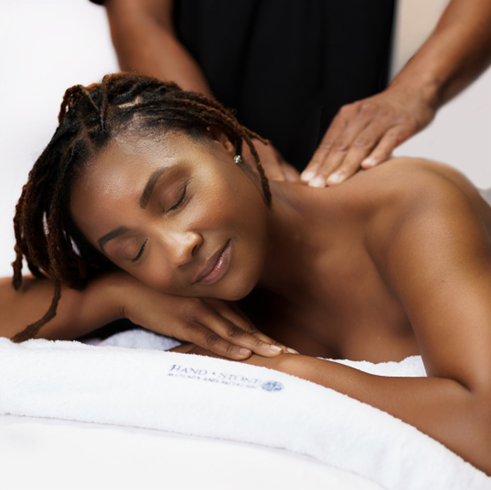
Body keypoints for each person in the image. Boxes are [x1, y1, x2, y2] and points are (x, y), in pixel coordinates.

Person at [0, 74, 490, 474]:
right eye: (134, 249)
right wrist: (119, 297)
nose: (177, 249)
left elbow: (483, 422)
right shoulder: (190, 295)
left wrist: (286, 371)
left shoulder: (408, 205)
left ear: (223, 140)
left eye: (176, 199)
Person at [92, 0, 491, 185]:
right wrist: (216, 131)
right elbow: (140, 18)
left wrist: (417, 89)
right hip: (202, 141)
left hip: (336, 166)